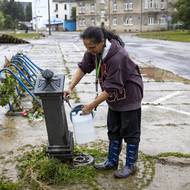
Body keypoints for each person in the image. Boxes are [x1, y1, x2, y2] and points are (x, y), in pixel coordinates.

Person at [64, 26, 143, 178]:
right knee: (113, 128)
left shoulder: (118, 56)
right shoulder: (94, 51)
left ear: (102, 42)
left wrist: (91, 105)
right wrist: (70, 87)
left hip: (130, 96)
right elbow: (83, 67)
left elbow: (111, 87)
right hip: (114, 97)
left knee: (130, 132)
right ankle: (112, 161)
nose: (89, 50)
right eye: (87, 47)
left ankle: (130, 165)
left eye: (92, 47)